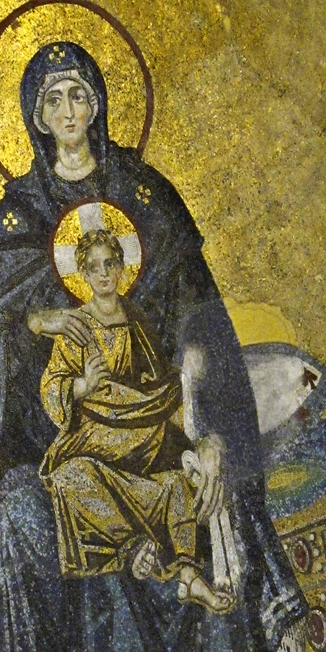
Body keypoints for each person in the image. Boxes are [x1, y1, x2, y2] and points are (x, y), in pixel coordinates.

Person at [0, 40, 307, 652]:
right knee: (59, 540)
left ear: (100, 103)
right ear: (35, 117)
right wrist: (36, 328)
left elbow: (202, 327)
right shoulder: (19, 220)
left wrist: (211, 436)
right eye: (53, 100)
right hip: (71, 450)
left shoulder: (147, 198)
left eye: (79, 94)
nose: (69, 112)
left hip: (166, 436)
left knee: (213, 556)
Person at [40, 228, 235, 614]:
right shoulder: (76, 326)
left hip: (144, 428)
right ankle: (137, 547)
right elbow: (51, 387)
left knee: (177, 479)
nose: (103, 273)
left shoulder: (137, 320)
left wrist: (187, 392)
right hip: (96, 434)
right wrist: (82, 386)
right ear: (83, 274)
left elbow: (160, 381)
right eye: (93, 267)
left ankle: (189, 576)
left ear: (121, 267)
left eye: (110, 263)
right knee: (69, 478)